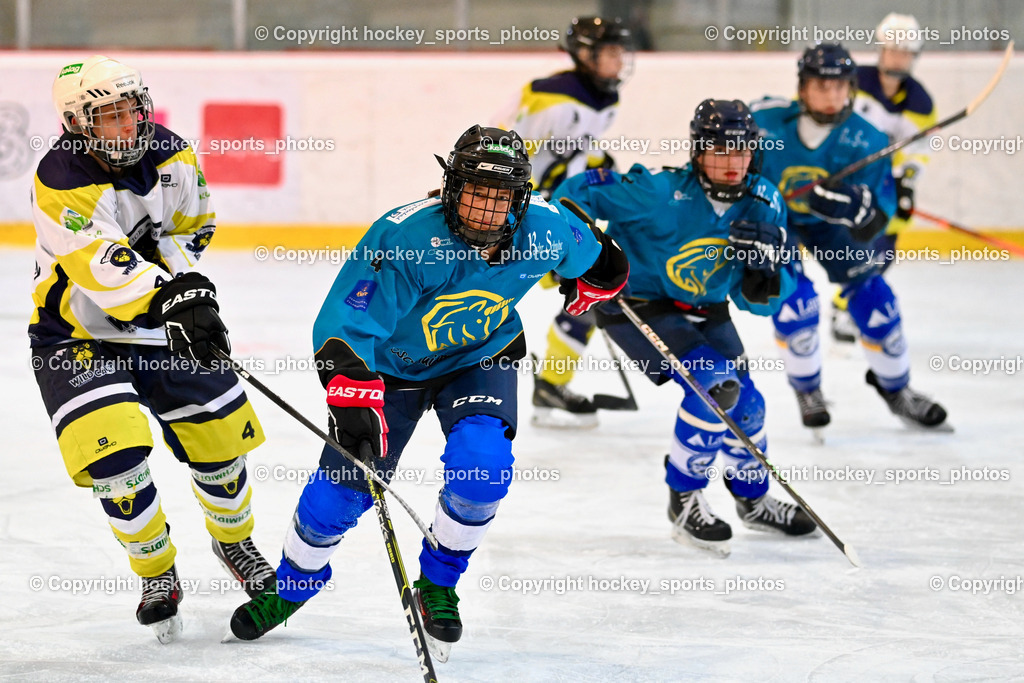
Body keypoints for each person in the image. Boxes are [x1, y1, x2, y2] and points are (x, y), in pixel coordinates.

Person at [228, 125, 628, 660]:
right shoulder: (405, 238)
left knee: (482, 468)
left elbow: (600, 257)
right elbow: (345, 327)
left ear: (522, 199)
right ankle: (294, 584)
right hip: (390, 370)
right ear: (450, 187)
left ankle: (438, 584)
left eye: (501, 197)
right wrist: (351, 396)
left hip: (479, 357)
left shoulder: (545, 228)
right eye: (475, 193)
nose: (486, 210)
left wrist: (600, 277)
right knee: (339, 494)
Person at [30, 55, 275, 642]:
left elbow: (195, 227)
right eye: (110, 116)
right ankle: (156, 571)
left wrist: (187, 290)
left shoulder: (173, 152)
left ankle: (234, 542)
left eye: (133, 110)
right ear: (76, 122)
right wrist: (172, 296)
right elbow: (99, 265)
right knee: (115, 462)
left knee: (221, 446)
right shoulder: (60, 176)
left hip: (160, 328)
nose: (128, 125)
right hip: (78, 336)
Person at [553, 100, 817, 556]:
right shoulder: (656, 192)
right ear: (698, 151)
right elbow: (573, 195)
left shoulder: (766, 201)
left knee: (748, 406)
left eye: (741, 152)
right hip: (638, 304)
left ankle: (753, 503)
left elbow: (754, 303)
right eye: (719, 150)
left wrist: (768, 272)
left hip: (708, 310)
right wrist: (583, 256)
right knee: (715, 388)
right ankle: (685, 498)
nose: (732, 163)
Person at [750, 43, 947, 432]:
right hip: (778, 220)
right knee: (795, 299)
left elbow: (879, 219)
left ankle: (898, 389)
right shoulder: (766, 125)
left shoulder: (868, 140)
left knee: (875, 298)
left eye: (839, 87)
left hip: (830, 227)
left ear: (852, 90)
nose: (831, 96)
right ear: (802, 89)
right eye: (821, 86)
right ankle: (807, 388)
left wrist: (854, 209)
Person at [494, 16, 633, 428]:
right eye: (610, 52)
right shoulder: (549, 100)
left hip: (553, 211)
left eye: (620, 53)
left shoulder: (604, 101)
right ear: (585, 54)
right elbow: (503, 151)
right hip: (520, 216)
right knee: (492, 297)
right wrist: (530, 194)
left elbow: (575, 151)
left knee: (593, 285)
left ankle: (551, 383)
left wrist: (597, 165)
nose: (619, 61)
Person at [830, 13, 937, 343]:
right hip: (842, 174)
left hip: (883, 181)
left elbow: (918, 149)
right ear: (881, 49)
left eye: (905, 52)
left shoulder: (920, 102)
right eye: (892, 50)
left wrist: (906, 182)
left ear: (914, 56)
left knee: (886, 245)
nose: (897, 57)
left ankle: (843, 304)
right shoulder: (854, 81)